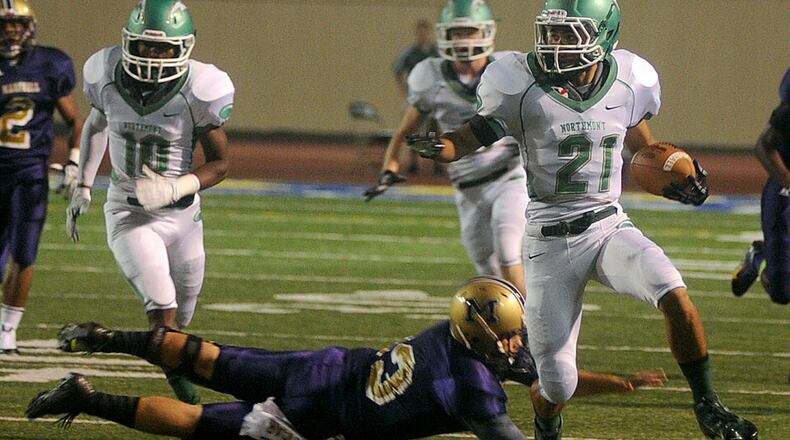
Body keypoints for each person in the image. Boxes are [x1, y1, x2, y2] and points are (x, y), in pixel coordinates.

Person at [407, 1, 758, 439]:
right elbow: (476, 133)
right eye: (552, 33)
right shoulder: (519, 83)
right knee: (558, 382)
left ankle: (709, 406)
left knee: (675, 295)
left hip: (608, 225)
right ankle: (547, 425)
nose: (555, 45)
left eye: (569, 35)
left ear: (603, 34)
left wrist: (678, 176)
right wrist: (444, 146)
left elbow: (644, 149)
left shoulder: (630, 79)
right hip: (549, 242)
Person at [27, 276, 667, 440]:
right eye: (504, 336)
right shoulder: (472, 388)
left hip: (328, 364)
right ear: (478, 335)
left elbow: (548, 379)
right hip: (314, 414)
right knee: (201, 426)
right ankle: (88, 398)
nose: (514, 343)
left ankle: (106, 337)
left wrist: (621, 384)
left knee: (208, 357)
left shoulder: (456, 336)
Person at [67, 0, 234, 403]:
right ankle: (187, 401)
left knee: (184, 314)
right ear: (128, 43)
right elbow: (96, 123)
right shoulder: (106, 75)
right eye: (144, 46)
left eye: (163, 48)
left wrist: (176, 188)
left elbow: (221, 164)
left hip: (183, 216)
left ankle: (179, 373)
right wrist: (84, 184)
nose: (153, 56)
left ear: (185, 47)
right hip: (129, 212)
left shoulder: (201, 88)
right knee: (163, 309)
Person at [366, 0, 528, 295]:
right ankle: (513, 322)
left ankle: (534, 329)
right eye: (457, 32)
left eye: (470, 31)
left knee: (507, 249)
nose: (464, 39)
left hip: (510, 175)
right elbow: (405, 131)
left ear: (486, 32)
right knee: (484, 261)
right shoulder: (432, 77)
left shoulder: (509, 70)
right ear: (445, 36)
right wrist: (389, 168)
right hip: (466, 185)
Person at [0, 0, 83, 355]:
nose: (11, 31)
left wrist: (74, 163)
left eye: (17, 25)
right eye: (5, 25)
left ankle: (7, 332)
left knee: (25, 253)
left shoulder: (50, 64)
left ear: (29, 27)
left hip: (30, 172)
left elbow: (76, 120)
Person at [731, 67, 790, 305]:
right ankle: (759, 255)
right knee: (783, 291)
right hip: (784, 190)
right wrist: (787, 179)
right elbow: (764, 145)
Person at [392, 18, 441, 175]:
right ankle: (413, 161)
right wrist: (404, 91)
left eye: (425, 32)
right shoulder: (411, 53)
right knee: (413, 129)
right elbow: (397, 70)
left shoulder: (436, 52)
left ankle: (437, 162)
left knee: (436, 129)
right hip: (416, 97)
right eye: (420, 33)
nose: (423, 36)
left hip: (434, 97)